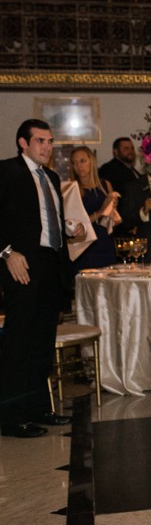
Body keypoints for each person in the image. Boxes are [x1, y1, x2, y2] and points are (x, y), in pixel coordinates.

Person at [1, 119, 84, 438]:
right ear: (23, 143)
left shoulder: (50, 176)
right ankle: (10, 417)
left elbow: (43, 222)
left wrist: (67, 229)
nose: (47, 147)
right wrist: (7, 253)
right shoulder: (7, 171)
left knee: (41, 344)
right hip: (21, 265)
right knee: (19, 343)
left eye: (50, 141)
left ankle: (37, 409)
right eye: (40, 141)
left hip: (51, 265)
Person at [67, 146, 120, 273]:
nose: (79, 166)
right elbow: (73, 225)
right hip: (84, 245)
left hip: (104, 241)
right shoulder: (72, 188)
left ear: (92, 161)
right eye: (74, 163)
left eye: (82, 161)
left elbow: (111, 221)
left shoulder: (105, 185)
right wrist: (101, 212)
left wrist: (112, 209)